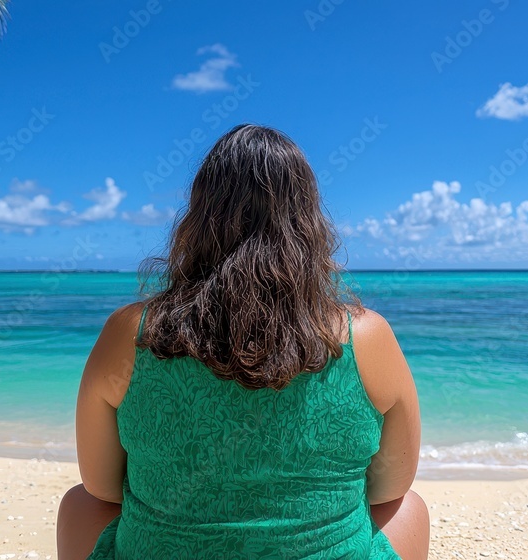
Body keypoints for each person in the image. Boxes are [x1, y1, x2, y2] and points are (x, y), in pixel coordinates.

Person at [57, 124, 429, 559]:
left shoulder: (133, 332)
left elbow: (102, 485)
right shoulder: (364, 335)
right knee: (409, 508)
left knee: (81, 505)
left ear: (198, 219)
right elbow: (392, 485)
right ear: (308, 222)